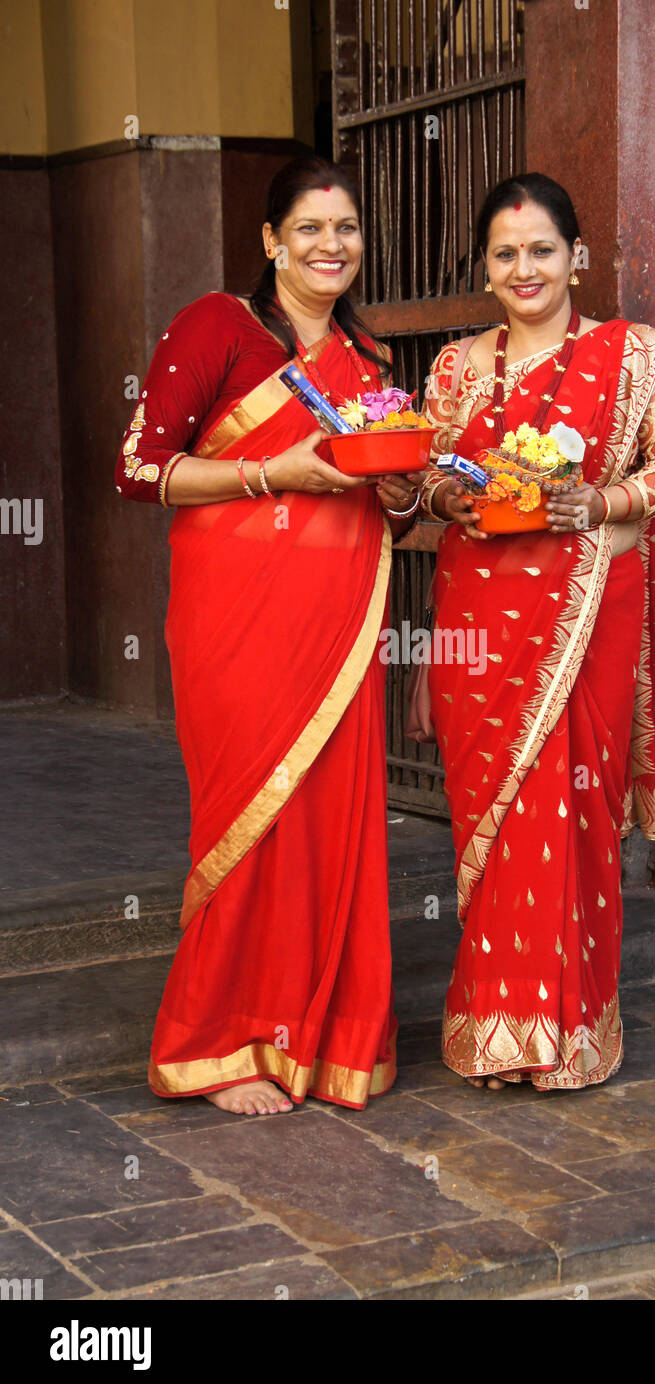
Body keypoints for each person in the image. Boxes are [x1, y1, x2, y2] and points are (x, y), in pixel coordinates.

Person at [115, 157, 422, 1116]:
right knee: (250, 821)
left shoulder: (368, 364)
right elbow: (137, 466)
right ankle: (221, 1041)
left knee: (330, 828)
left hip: (339, 631)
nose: (332, 245)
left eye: (347, 228)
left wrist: (406, 492)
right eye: (311, 228)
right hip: (236, 624)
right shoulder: (220, 327)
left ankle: (325, 1038)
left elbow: (380, 505)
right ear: (270, 241)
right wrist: (270, 474)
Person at [420, 173, 655, 1092]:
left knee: (575, 815)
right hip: (479, 620)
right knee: (498, 819)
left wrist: (600, 497)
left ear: (575, 257)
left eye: (542, 250)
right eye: (506, 253)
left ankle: (572, 1033)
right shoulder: (455, 369)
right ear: (485, 264)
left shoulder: (634, 358)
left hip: (590, 608)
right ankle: (497, 1027)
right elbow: (426, 472)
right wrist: (454, 501)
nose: (525, 269)